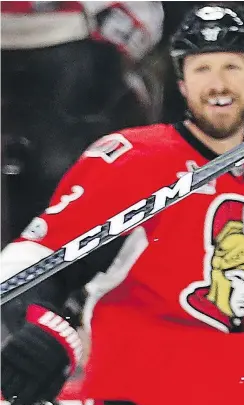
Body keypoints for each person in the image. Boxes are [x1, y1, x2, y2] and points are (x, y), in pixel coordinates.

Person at [1, 5, 244, 405]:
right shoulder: (131, 158)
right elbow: (33, 257)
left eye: (232, 66)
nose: (219, 83)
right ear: (183, 82)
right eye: (202, 68)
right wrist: (39, 325)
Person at [1, 1, 164, 246]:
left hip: (76, 46)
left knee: (66, 171)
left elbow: (143, 18)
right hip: (67, 44)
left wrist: (114, 42)